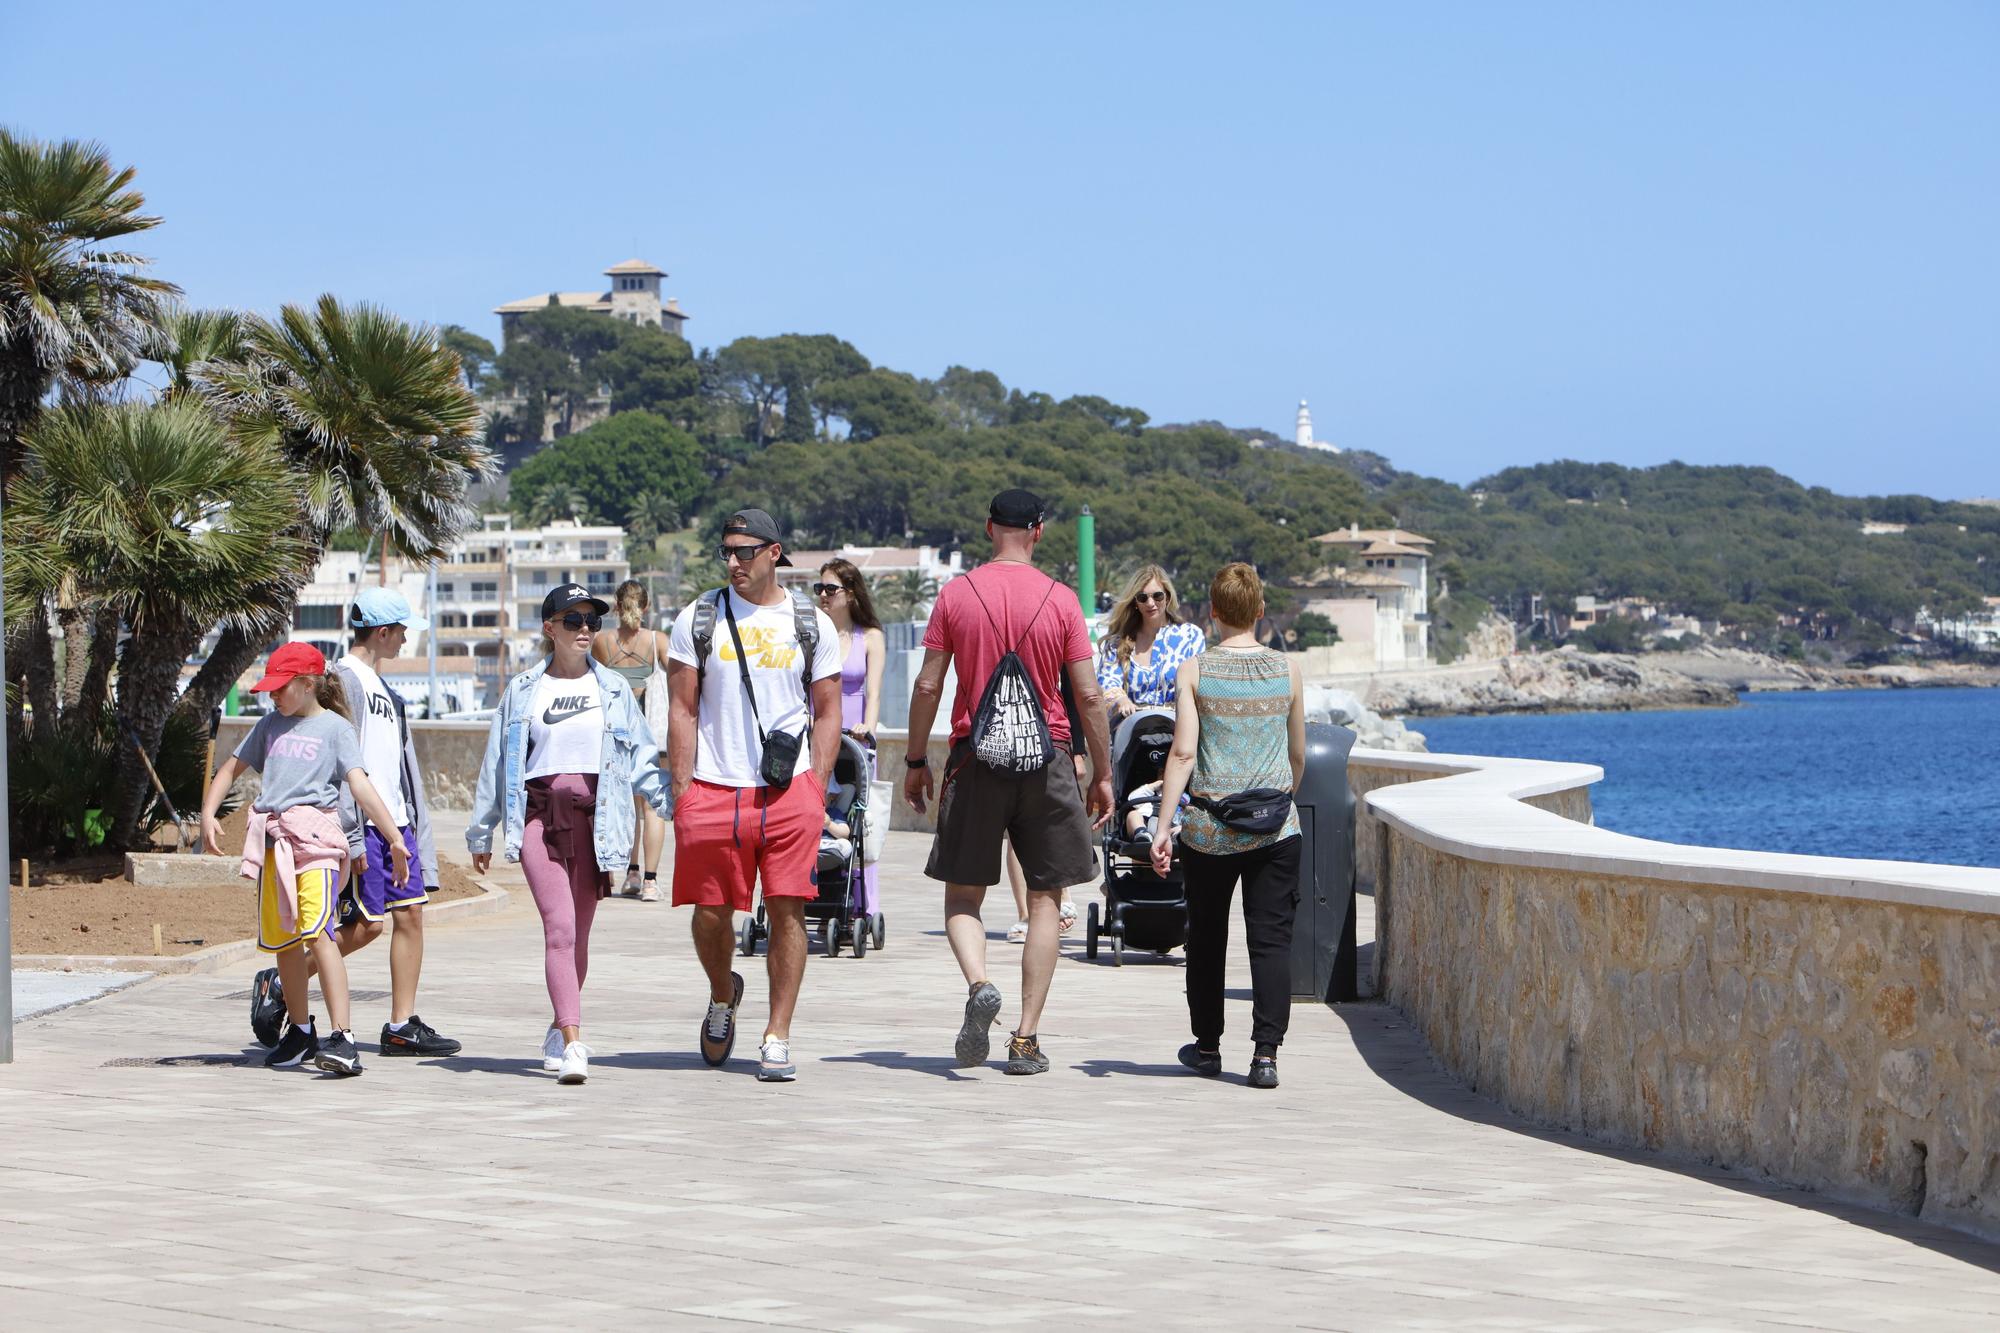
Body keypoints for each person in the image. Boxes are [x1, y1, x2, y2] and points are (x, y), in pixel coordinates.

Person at [904, 488, 1112, 1076]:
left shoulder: (956, 594)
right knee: (1045, 898)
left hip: (975, 757)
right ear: (1039, 532)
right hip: (1048, 759)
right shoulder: (1063, 600)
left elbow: (927, 686)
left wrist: (916, 760)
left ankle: (979, 986)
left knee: (963, 894)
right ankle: (1025, 1039)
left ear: (988, 526)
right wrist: (1102, 773)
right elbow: (1089, 695)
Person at [467, 583, 672, 1086]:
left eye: (592, 621)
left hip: (597, 822)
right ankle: (576, 1043)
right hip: (539, 816)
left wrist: (678, 804)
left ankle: (559, 1029)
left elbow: (643, 760)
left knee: (577, 937)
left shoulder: (615, 689)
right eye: (574, 620)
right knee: (558, 928)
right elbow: (497, 763)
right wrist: (480, 832)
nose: (585, 630)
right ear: (549, 627)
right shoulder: (522, 690)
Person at [665, 510, 841, 1083]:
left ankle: (776, 1035)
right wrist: (684, 789)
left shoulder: (811, 622)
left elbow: (828, 711)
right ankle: (723, 993)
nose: (735, 562)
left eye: (745, 552)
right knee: (711, 913)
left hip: (788, 791)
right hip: (715, 789)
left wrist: (815, 785)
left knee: (789, 911)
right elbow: (682, 708)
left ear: (774, 553)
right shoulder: (698, 617)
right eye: (727, 552)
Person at [200, 642, 411, 1077]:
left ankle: (343, 1038)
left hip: (316, 842)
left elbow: (361, 786)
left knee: (319, 934)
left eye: (281, 688)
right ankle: (299, 1031)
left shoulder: (335, 729)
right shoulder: (268, 726)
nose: (272, 696)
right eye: (270, 689)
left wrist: (392, 837)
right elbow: (228, 770)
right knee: (284, 941)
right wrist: (207, 814)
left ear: (308, 683)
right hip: (275, 845)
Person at [1150, 562, 1306, 1090]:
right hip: (1276, 830)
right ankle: (1265, 1055)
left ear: (1213, 612)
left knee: (1208, 938)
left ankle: (1208, 1046)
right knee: (1271, 941)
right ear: (1260, 611)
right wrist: (1282, 798)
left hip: (1211, 831)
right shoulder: (1288, 670)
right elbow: (1298, 754)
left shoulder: (1193, 671)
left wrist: (1162, 826)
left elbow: (1184, 751)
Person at [816, 558, 885, 924]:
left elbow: (873, 692)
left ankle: (863, 903)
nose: (824, 596)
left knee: (859, 817)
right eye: (820, 589)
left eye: (831, 589)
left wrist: (867, 730)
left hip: (855, 741)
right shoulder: (814, 636)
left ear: (851, 592)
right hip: (818, 738)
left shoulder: (870, 637)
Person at [594, 578, 671, 902]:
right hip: (653, 733)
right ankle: (651, 882)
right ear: (647, 607)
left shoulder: (603, 642)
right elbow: (681, 681)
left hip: (615, 734)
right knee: (652, 806)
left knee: (622, 806)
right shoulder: (657, 641)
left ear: (616, 605)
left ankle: (630, 873)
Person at [1096, 565, 1204, 719]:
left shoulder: (1190, 636)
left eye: (1157, 596)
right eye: (1142, 598)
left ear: (1167, 596)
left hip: (1176, 727)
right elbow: (1107, 682)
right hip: (1132, 730)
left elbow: (1199, 686)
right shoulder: (1117, 642)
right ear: (1135, 602)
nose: (1150, 603)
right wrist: (1121, 700)